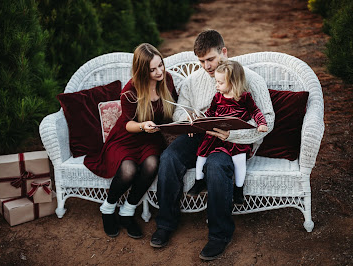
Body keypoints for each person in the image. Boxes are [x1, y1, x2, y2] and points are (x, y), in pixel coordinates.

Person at [150, 30, 275, 261]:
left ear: (224, 52)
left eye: (210, 59)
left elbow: (268, 118)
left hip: (232, 141)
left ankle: (220, 234)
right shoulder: (192, 81)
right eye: (201, 61)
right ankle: (166, 223)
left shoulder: (249, 78)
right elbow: (180, 109)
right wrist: (185, 119)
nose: (206, 66)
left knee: (216, 166)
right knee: (169, 157)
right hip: (199, 135)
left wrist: (233, 136)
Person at [84, 43, 177, 239]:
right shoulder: (131, 90)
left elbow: (174, 109)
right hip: (127, 136)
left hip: (150, 138)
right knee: (128, 170)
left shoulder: (167, 80)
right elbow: (127, 124)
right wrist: (143, 125)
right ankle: (108, 209)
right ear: (143, 71)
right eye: (152, 69)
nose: (159, 71)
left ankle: (127, 211)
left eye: (160, 65)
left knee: (152, 164)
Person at [192, 60, 268, 206]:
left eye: (220, 83)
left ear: (233, 82)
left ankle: (238, 189)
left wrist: (261, 124)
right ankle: (199, 181)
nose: (216, 85)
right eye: (216, 82)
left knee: (239, 159)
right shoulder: (217, 97)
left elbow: (255, 111)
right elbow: (210, 112)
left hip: (236, 138)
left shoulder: (244, 97)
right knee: (201, 153)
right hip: (216, 135)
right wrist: (201, 120)